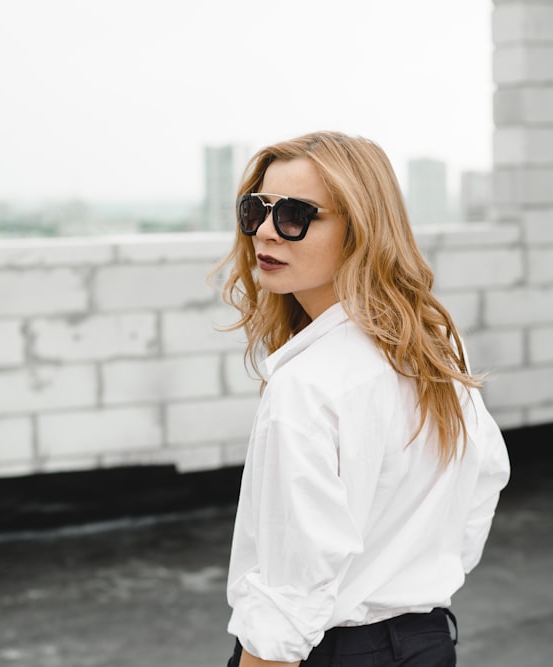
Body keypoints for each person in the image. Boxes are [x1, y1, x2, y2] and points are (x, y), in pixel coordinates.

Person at [214, 131, 510, 667]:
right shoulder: (436, 343)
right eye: (256, 209)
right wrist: (408, 576)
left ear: (361, 230)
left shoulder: (305, 386)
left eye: (295, 214)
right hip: (426, 644)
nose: (265, 231)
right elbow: (484, 481)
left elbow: (288, 605)